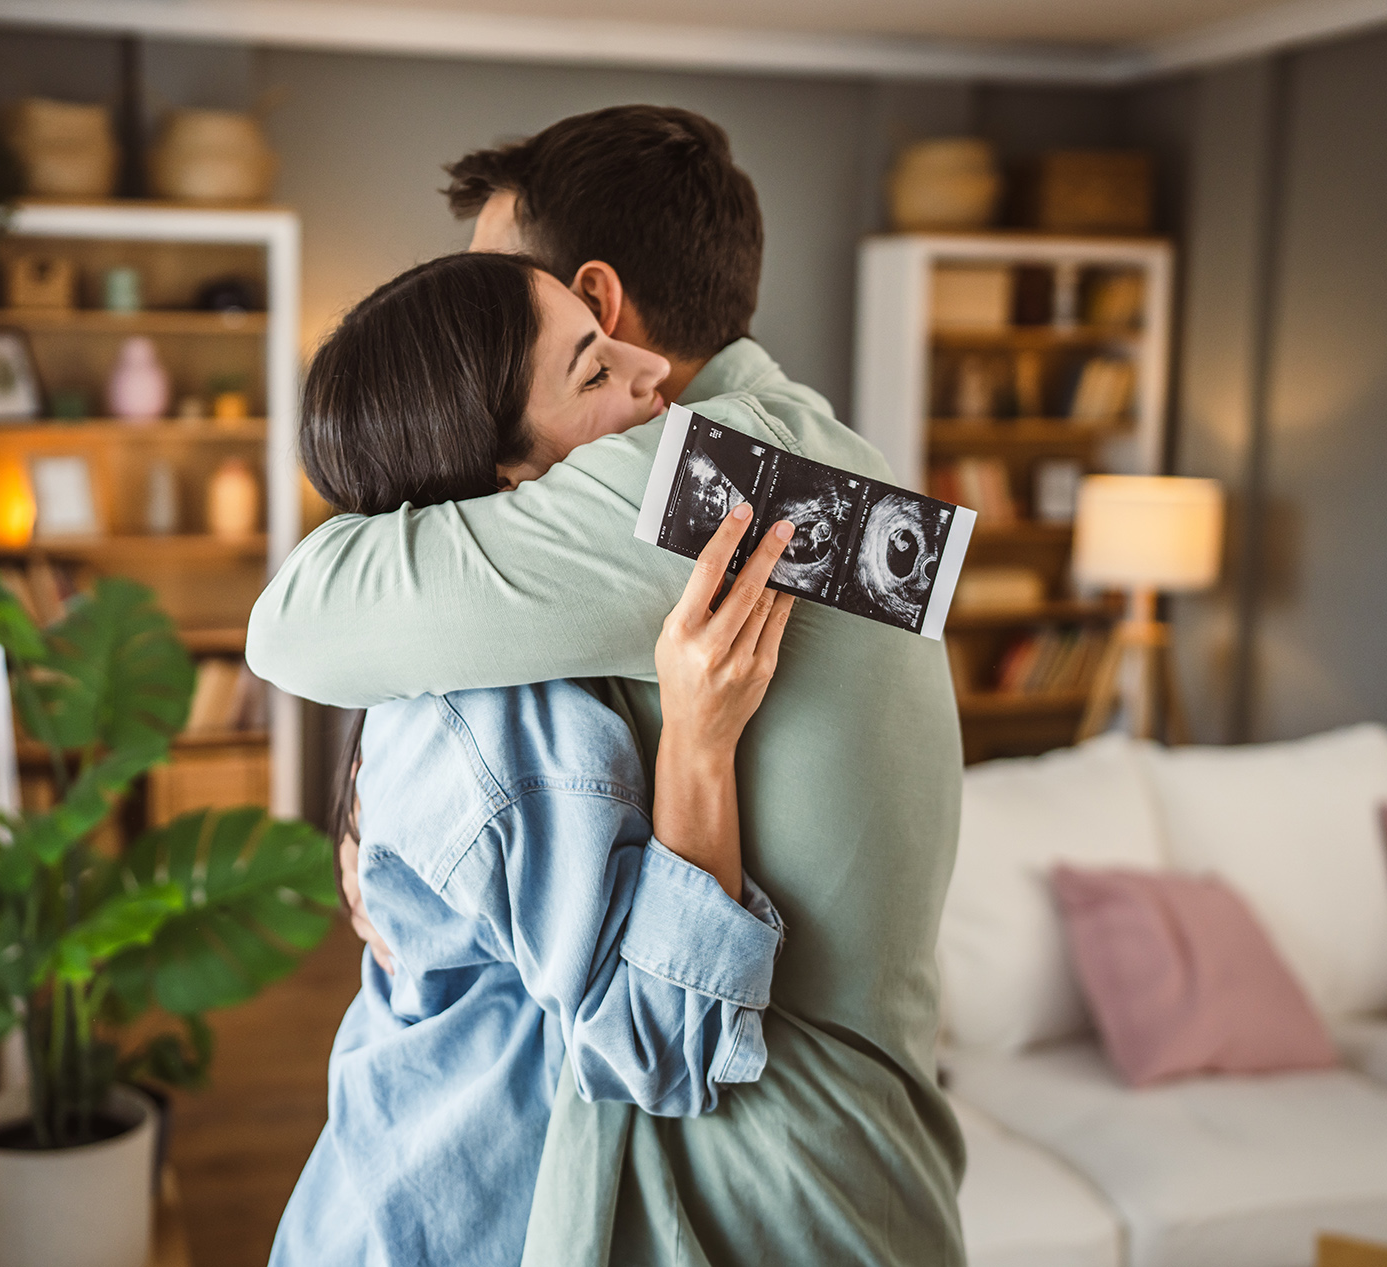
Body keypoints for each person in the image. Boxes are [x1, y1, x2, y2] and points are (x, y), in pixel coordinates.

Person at [248, 106, 967, 1265]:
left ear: (596, 294)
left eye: (495, 290)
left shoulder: (737, 484)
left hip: (778, 1193)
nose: (464, 311)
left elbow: (292, 621)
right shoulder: (812, 455)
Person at [271, 252, 795, 1265]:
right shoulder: (511, 732)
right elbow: (660, 1047)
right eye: (594, 372)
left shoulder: (462, 646)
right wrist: (699, 739)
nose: (652, 369)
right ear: (508, 477)